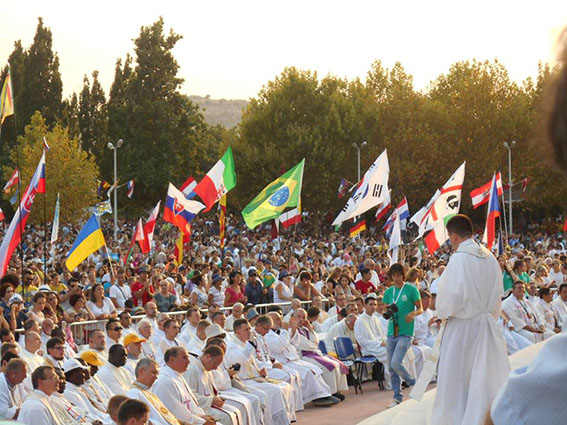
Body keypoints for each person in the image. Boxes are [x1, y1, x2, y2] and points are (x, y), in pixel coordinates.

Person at [432, 214, 510, 425]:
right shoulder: (489, 256)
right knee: (485, 378)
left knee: (458, 379)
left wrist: (443, 315)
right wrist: (489, 317)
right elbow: (498, 295)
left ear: (454, 236)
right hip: (487, 326)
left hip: (462, 329)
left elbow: (450, 298)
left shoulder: (458, 259)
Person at [225, 318, 294, 425]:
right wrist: (251, 343)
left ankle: (285, 419)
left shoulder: (244, 343)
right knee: (275, 391)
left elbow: (252, 361)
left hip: (254, 377)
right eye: (246, 330)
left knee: (285, 386)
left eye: (249, 329)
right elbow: (241, 360)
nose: (250, 332)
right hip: (244, 381)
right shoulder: (232, 346)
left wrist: (259, 371)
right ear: (238, 331)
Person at [382, 263, 422, 407]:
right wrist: (385, 310)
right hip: (391, 332)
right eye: (394, 275)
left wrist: (412, 314)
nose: (396, 278)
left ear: (403, 275)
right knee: (391, 368)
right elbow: (383, 309)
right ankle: (397, 397)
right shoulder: (389, 292)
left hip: (406, 332)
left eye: (399, 275)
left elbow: (420, 308)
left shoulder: (411, 289)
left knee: (395, 363)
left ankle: (413, 383)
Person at [152, 346, 216, 425]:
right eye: (185, 358)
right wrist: (202, 421)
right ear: (172, 359)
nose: (188, 362)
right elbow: (178, 414)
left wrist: (202, 416)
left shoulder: (177, 375)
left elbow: (191, 403)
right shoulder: (165, 383)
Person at [185, 345, 242, 425]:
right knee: (226, 417)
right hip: (198, 409)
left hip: (206, 405)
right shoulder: (191, 370)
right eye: (215, 364)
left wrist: (215, 399)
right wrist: (211, 400)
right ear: (208, 357)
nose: (215, 368)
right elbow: (189, 398)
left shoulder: (204, 369)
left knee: (236, 411)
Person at [127, 358, 183, 425]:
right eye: (153, 373)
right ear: (141, 371)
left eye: (157, 374)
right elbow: (139, 421)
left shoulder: (149, 392)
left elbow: (166, 417)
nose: (156, 377)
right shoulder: (134, 393)